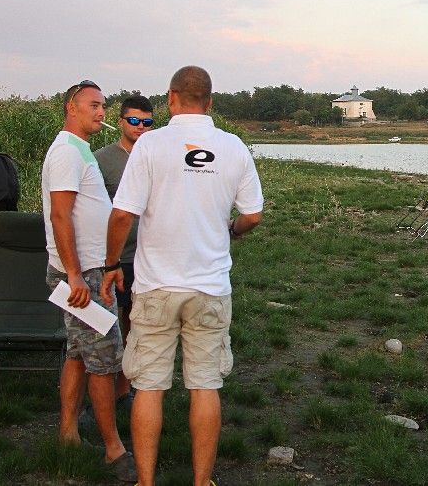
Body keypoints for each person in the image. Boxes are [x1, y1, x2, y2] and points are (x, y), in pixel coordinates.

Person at [100, 66, 263, 486]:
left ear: (171, 98)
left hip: (156, 285)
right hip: (209, 286)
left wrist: (111, 265)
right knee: (205, 386)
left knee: (149, 387)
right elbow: (253, 214)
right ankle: (201, 481)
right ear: (210, 102)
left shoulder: (150, 145)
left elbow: (122, 214)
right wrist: (232, 230)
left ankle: (145, 482)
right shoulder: (233, 147)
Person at [42, 79, 135, 482]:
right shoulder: (66, 152)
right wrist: (76, 275)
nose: (101, 112)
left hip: (91, 270)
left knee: (79, 354)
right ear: (71, 107)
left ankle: (67, 434)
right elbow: (59, 215)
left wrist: (105, 265)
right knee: (105, 358)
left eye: (103, 106)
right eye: (93, 105)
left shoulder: (78, 149)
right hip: (80, 277)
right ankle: (114, 449)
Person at [94, 93, 155, 404]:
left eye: (147, 122)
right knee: (107, 322)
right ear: (120, 122)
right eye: (133, 120)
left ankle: (126, 388)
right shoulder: (101, 159)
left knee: (136, 322)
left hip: (148, 257)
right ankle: (101, 388)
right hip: (114, 258)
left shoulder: (157, 157)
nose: (140, 127)